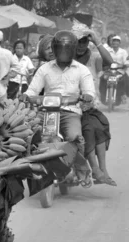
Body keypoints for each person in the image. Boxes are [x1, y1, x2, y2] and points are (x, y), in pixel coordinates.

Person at [24, 31, 95, 152]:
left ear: (73, 50)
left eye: (66, 49)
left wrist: (87, 96)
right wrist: (25, 96)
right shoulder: (44, 69)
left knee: (75, 138)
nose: (63, 52)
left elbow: (89, 91)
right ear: (54, 49)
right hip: (45, 111)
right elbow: (32, 90)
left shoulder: (82, 70)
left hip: (70, 112)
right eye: (60, 49)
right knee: (28, 135)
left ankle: (79, 169)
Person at [73, 27, 116, 186]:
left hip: (89, 106)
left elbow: (110, 61)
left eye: (84, 40)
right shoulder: (66, 58)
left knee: (100, 126)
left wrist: (97, 41)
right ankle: (96, 170)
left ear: (88, 41)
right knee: (89, 129)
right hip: (69, 107)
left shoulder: (94, 58)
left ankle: (102, 171)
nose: (81, 44)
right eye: (78, 41)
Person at [99, 34, 129, 105]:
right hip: (109, 70)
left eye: (117, 41)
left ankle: (124, 95)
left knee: (126, 80)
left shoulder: (123, 52)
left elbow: (126, 61)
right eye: (114, 41)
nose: (115, 43)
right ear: (111, 43)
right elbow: (104, 60)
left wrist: (125, 64)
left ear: (119, 43)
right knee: (102, 79)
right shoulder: (108, 51)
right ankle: (102, 94)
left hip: (120, 71)